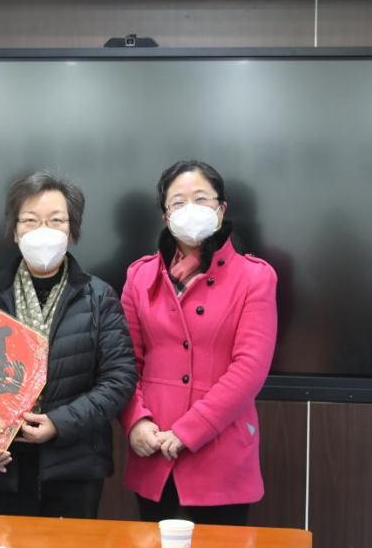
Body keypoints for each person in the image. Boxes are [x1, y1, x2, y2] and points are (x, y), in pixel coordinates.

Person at [0, 171, 137, 519]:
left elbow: (120, 379)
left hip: (76, 465)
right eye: (30, 220)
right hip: (5, 467)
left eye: (56, 220)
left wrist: (58, 423)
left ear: (72, 232)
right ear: (15, 231)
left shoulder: (99, 297)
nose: (43, 230)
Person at [119, 160, 277, 526]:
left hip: (220, 451)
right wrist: (135, 421)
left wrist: (189, 430)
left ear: (222, 209)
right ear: (165, 216)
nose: (190, 208)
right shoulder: (139, 276)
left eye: (201, 198)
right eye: (178, 201)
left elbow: (249, 369)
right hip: (154, 448)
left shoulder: (254, 277)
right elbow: (125, 363)